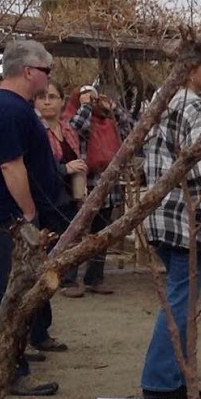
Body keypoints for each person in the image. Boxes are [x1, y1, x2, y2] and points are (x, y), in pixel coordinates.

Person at [0, 39, 60, 396]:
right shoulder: (10, 110)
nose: (48, 78)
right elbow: (10, 165)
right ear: (28, 71)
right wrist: (28, 212)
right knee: (5, 299)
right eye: (46, 70)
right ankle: (5, 373)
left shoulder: (3, 107)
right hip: (3, 218)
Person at [137, 60, 201, 399]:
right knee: (180, 299)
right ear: (189, 68)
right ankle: (160, 379)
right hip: (187, 217)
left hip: (160, 214)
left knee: (178, 296)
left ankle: (173, 375)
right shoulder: (194, 107)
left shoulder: (159, 102)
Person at [28, 80, 87, 354]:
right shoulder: (33, 130)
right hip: (42, 207)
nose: (47, 101)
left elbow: (81, 163)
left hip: (67, 204)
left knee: (55, 269)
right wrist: (64, 169)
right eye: (42, 96)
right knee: (39, 271)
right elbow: (36, 169)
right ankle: (35, 331)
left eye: (52, 96)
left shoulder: (69, 130)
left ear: (62, 101)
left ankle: (41, 330)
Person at [67, 83, 135, 295]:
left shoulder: (108, 123)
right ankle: (68, 279)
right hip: (84, 183)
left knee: (101, 233)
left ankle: (95, 277)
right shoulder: (74, 118)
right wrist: (85, 106)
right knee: (76, 231)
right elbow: (77, 127)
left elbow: (132, 129)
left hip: (107, 183)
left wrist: (114, 108)